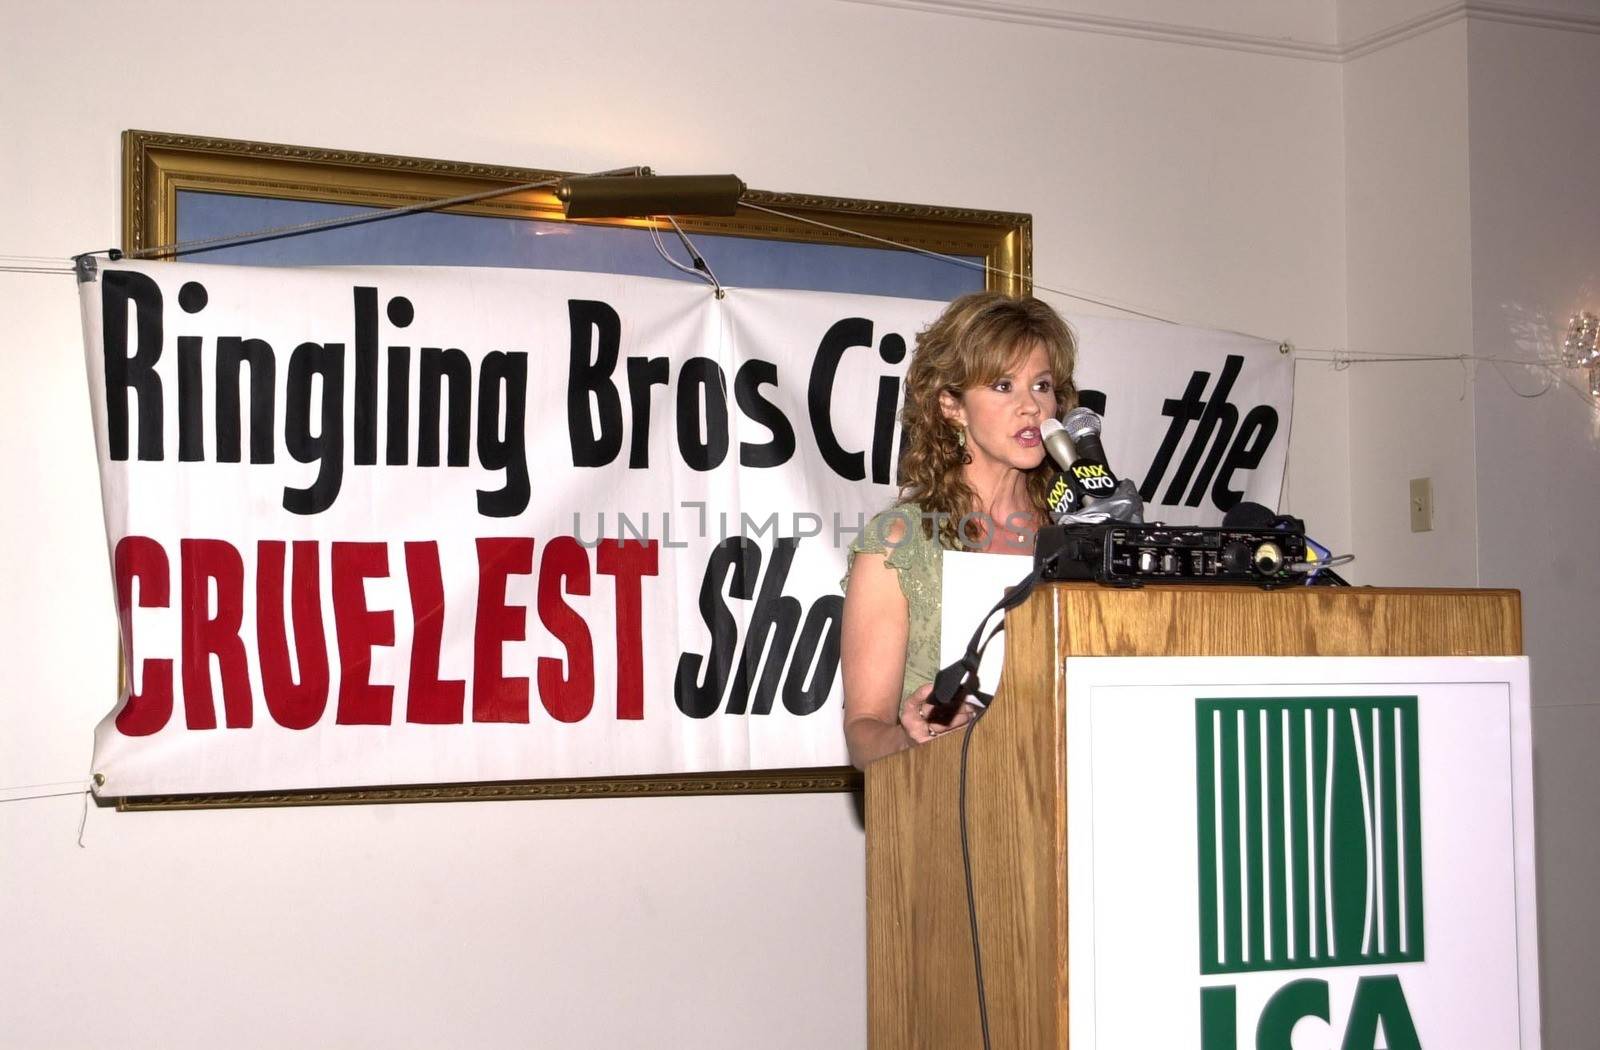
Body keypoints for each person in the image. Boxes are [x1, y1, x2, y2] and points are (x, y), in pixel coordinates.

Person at [840, 291, 1077, 770]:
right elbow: (864, 732)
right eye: (1004, 386)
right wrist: (916, 743)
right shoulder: (900, 544)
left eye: (1043, 384)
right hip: (947, 814)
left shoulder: (1078, 533)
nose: (1032, 406)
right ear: (952, 405)